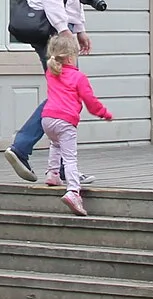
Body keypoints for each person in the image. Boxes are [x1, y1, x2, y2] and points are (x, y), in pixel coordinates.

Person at [4, 0, 92, 183]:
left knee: (67, 94)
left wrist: (79, 28)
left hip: (61, 25)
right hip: (48, 25)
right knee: (67, 93)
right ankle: (23, 146)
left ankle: (61, 167)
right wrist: (64, 28)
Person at [40, 30, 112, 214]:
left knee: (55, 144)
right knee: (70, 157)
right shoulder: (79, 77)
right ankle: (73, 191)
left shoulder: (51, 72)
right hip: (65, 121)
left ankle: (53, 173)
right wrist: (103, 113)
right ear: (72, 57)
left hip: (47, 119)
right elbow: (90, 101)